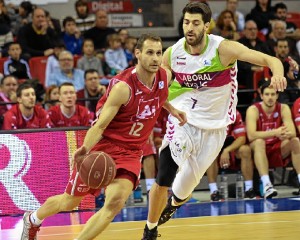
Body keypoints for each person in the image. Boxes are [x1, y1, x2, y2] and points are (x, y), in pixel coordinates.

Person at [20, 33, 186, 240]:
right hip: (105, 147)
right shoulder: (123, 88)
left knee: (115, 203)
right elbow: (100, 126)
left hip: (132, 152)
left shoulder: (165, 76)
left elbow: (157, 97)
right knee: (69, 202)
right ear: (137, 54)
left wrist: (171, 109)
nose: (155, 58)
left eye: (158, 53)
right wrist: (84, 150)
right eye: (149, 53)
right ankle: (33, 219)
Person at [142, 2, 286, 239]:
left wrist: (278, 74)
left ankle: (175, 204)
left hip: (215, 129)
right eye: (186, 22)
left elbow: (271, 60)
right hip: (183, 118)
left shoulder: (224, 49)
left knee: (183, 190)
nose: (189, 27)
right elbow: (162, 80)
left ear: (206, 26)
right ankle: (150, 229)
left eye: (196, 23)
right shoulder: (173, 52)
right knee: (165, 174)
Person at [246, 80, 300, 198]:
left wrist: (285, 135)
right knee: (259, 142)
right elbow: (251, 135)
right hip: (259, 151)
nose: (270, 97)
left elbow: (292, 132)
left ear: (277, 95)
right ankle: (267, 185)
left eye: (273, 94)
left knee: (295, 141)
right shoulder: (253, 110)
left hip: (277, 148)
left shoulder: (283, 108)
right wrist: (275, 132)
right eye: (267, 94)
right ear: (261, 96)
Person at [206, 110, 255, 201]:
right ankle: (214, 191)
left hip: (230, 148)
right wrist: (220, 151)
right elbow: (207, 140)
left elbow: (242, 138)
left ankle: (249, 189)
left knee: (245, 150)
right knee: (210, 151)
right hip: (213, 146)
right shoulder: (209, 112)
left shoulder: (234, 113)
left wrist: (227, 151)